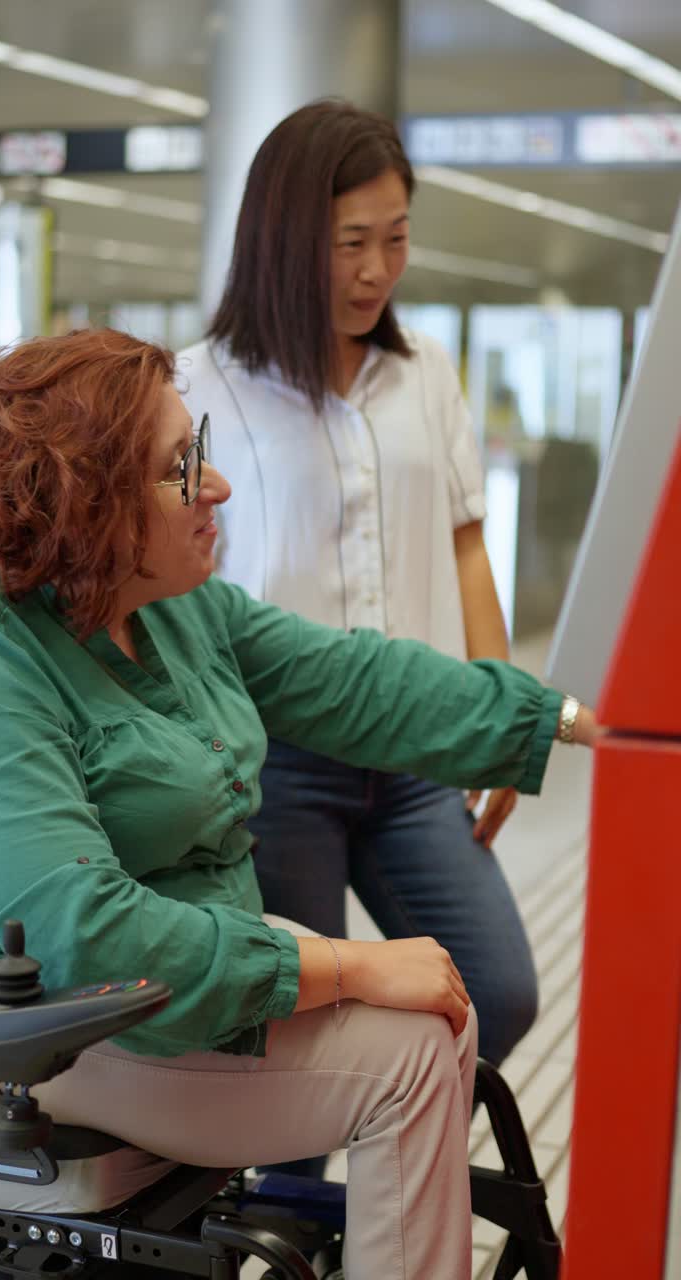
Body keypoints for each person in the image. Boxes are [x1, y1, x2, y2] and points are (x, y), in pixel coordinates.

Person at [0, 329, 596, 1280]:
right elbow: (83, 933)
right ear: (87, 505)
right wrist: (345, 964)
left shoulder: (173, 606)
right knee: (411, 1058)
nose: (216, 488)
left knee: (444, 1013)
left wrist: (579, 721)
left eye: (201, 450)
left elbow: (357, 682)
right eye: (181, 469)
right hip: (56, 1030)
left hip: (182, 974)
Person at [179, 97, 538, 1133]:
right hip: (276, 761)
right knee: (289, 1033)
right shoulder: (199, 388)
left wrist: (496, 714)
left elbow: (467, 541)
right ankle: (299, 1197)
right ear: (285, 238)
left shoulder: (423, 372)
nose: (378, 270)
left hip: (414, 750)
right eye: (350, 243)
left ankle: (379, 1133)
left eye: (396, 238)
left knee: (499, 987)